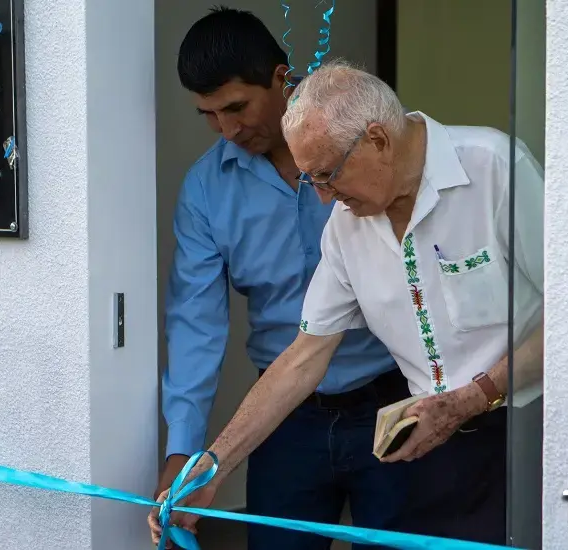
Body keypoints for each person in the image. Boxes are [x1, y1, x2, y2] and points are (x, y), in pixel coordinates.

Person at [150, 59, 545, 546]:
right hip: (428, 453)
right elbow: (303, 355)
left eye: (327, 175)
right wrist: (211, 468)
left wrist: (474, 397)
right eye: (309, 180)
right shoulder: (345, 225)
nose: (322, 198)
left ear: (377, 140)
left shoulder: (493, 168)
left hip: (525, 437)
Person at [152, 8, 418, 550]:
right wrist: (184, 453)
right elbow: (195, 324)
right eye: (209, 114)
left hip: (391, 401)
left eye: (236, 107)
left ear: (281, 78)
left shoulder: (366, 157)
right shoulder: (207, 190)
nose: (228, 129)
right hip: (281, 420)